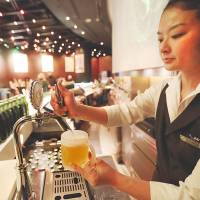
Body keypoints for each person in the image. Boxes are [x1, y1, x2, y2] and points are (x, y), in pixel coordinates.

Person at [51, 0, 200, 199]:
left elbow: (190, 195)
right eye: (160, 39)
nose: (164, 47)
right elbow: (126, 112)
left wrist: (115, 178)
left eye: (177, 35)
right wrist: (77, 109)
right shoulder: (166, 89)